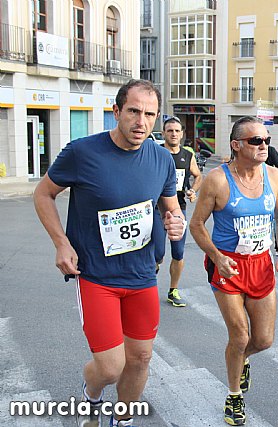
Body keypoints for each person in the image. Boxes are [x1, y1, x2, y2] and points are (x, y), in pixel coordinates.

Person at [33, 79, 186, 427]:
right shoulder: (82, 152)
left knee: (141, 358)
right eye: (133, 111)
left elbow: (171, 208)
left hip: (143, 273)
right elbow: (43, 194)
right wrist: (61, 242)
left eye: (149, 114)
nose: (141, 122)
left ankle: (123, 419)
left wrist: (175, 222)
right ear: (116, 111)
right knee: (110, 366)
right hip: (96, 276)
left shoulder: (162, 159)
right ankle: (90, 395)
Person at [189, 116, 278, 426]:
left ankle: (241, 359)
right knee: (240, 335)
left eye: (266, 140)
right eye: (255, 141)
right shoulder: (218, 180)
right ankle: (234, 395)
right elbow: (196, 225)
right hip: (228, 265)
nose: (263, 146)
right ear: (236, 145)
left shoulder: (274, 177)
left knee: (263, 340)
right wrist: (217, 257)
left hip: (260, 264)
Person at [152, 116, 203, 307]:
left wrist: (192, 191)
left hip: (178, 208)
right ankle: (149, 279)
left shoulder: (187, 155)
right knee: (157, 253)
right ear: (164, 133)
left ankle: (173, 290)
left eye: (177, 131)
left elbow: (198, 176)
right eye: (169, 131)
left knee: (178, 252)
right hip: (156, 209)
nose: (173, 134)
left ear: (182, 134)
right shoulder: (156, 153)